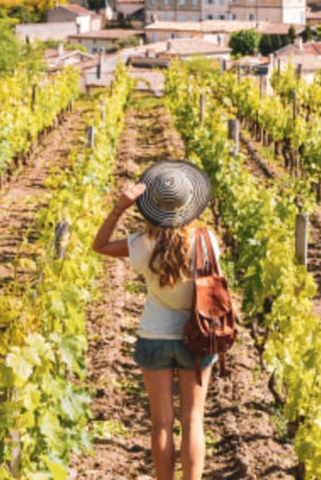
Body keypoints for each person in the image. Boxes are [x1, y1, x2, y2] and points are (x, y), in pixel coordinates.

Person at [92, 160, 218, 480]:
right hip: (197, 337)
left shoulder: (141, 244)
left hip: (154, 336)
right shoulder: (205, 241)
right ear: (190, 204)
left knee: (161, 422)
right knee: (193, 420)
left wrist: (120, 208)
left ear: (152, 207)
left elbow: (100, 245)